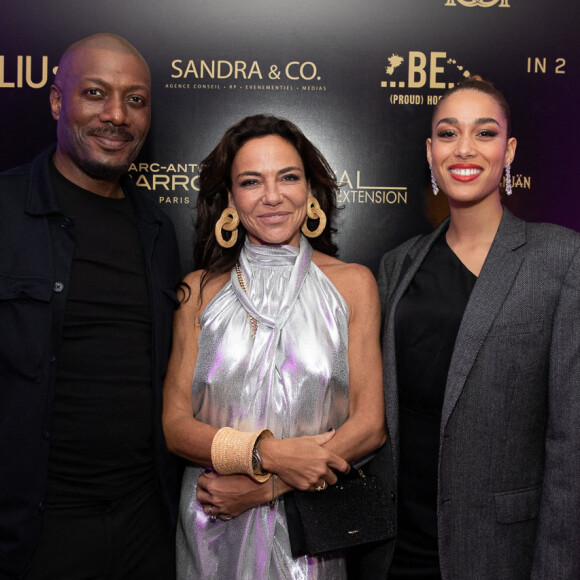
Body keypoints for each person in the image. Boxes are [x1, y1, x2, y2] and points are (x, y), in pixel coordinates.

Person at [364, 77, 580, 579]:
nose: (464, 148)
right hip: (393, 551)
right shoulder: (398, 265)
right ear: (430, 150)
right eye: (447, 133)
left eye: (484, 133)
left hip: (499, 552)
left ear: (509, 151)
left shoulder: (561, 259)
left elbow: (571, 445)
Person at [162, 114, 386, 579]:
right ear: (229, 198)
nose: (272, 196)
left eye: (288, 177)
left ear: (310, 190)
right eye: (250, 181)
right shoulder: (198, 292)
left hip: (311, 533)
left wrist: (268, 486)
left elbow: (370, 426)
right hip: (213, 520)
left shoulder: (353, 285)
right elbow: (176, 428)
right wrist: (270, 454)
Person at [0, 34, 182, 579]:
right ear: (58, 102)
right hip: (35, 530)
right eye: (96, 93)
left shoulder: (158, 228)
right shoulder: (5, 211)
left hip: (145, 524)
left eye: (135, 99)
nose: (116, 115)